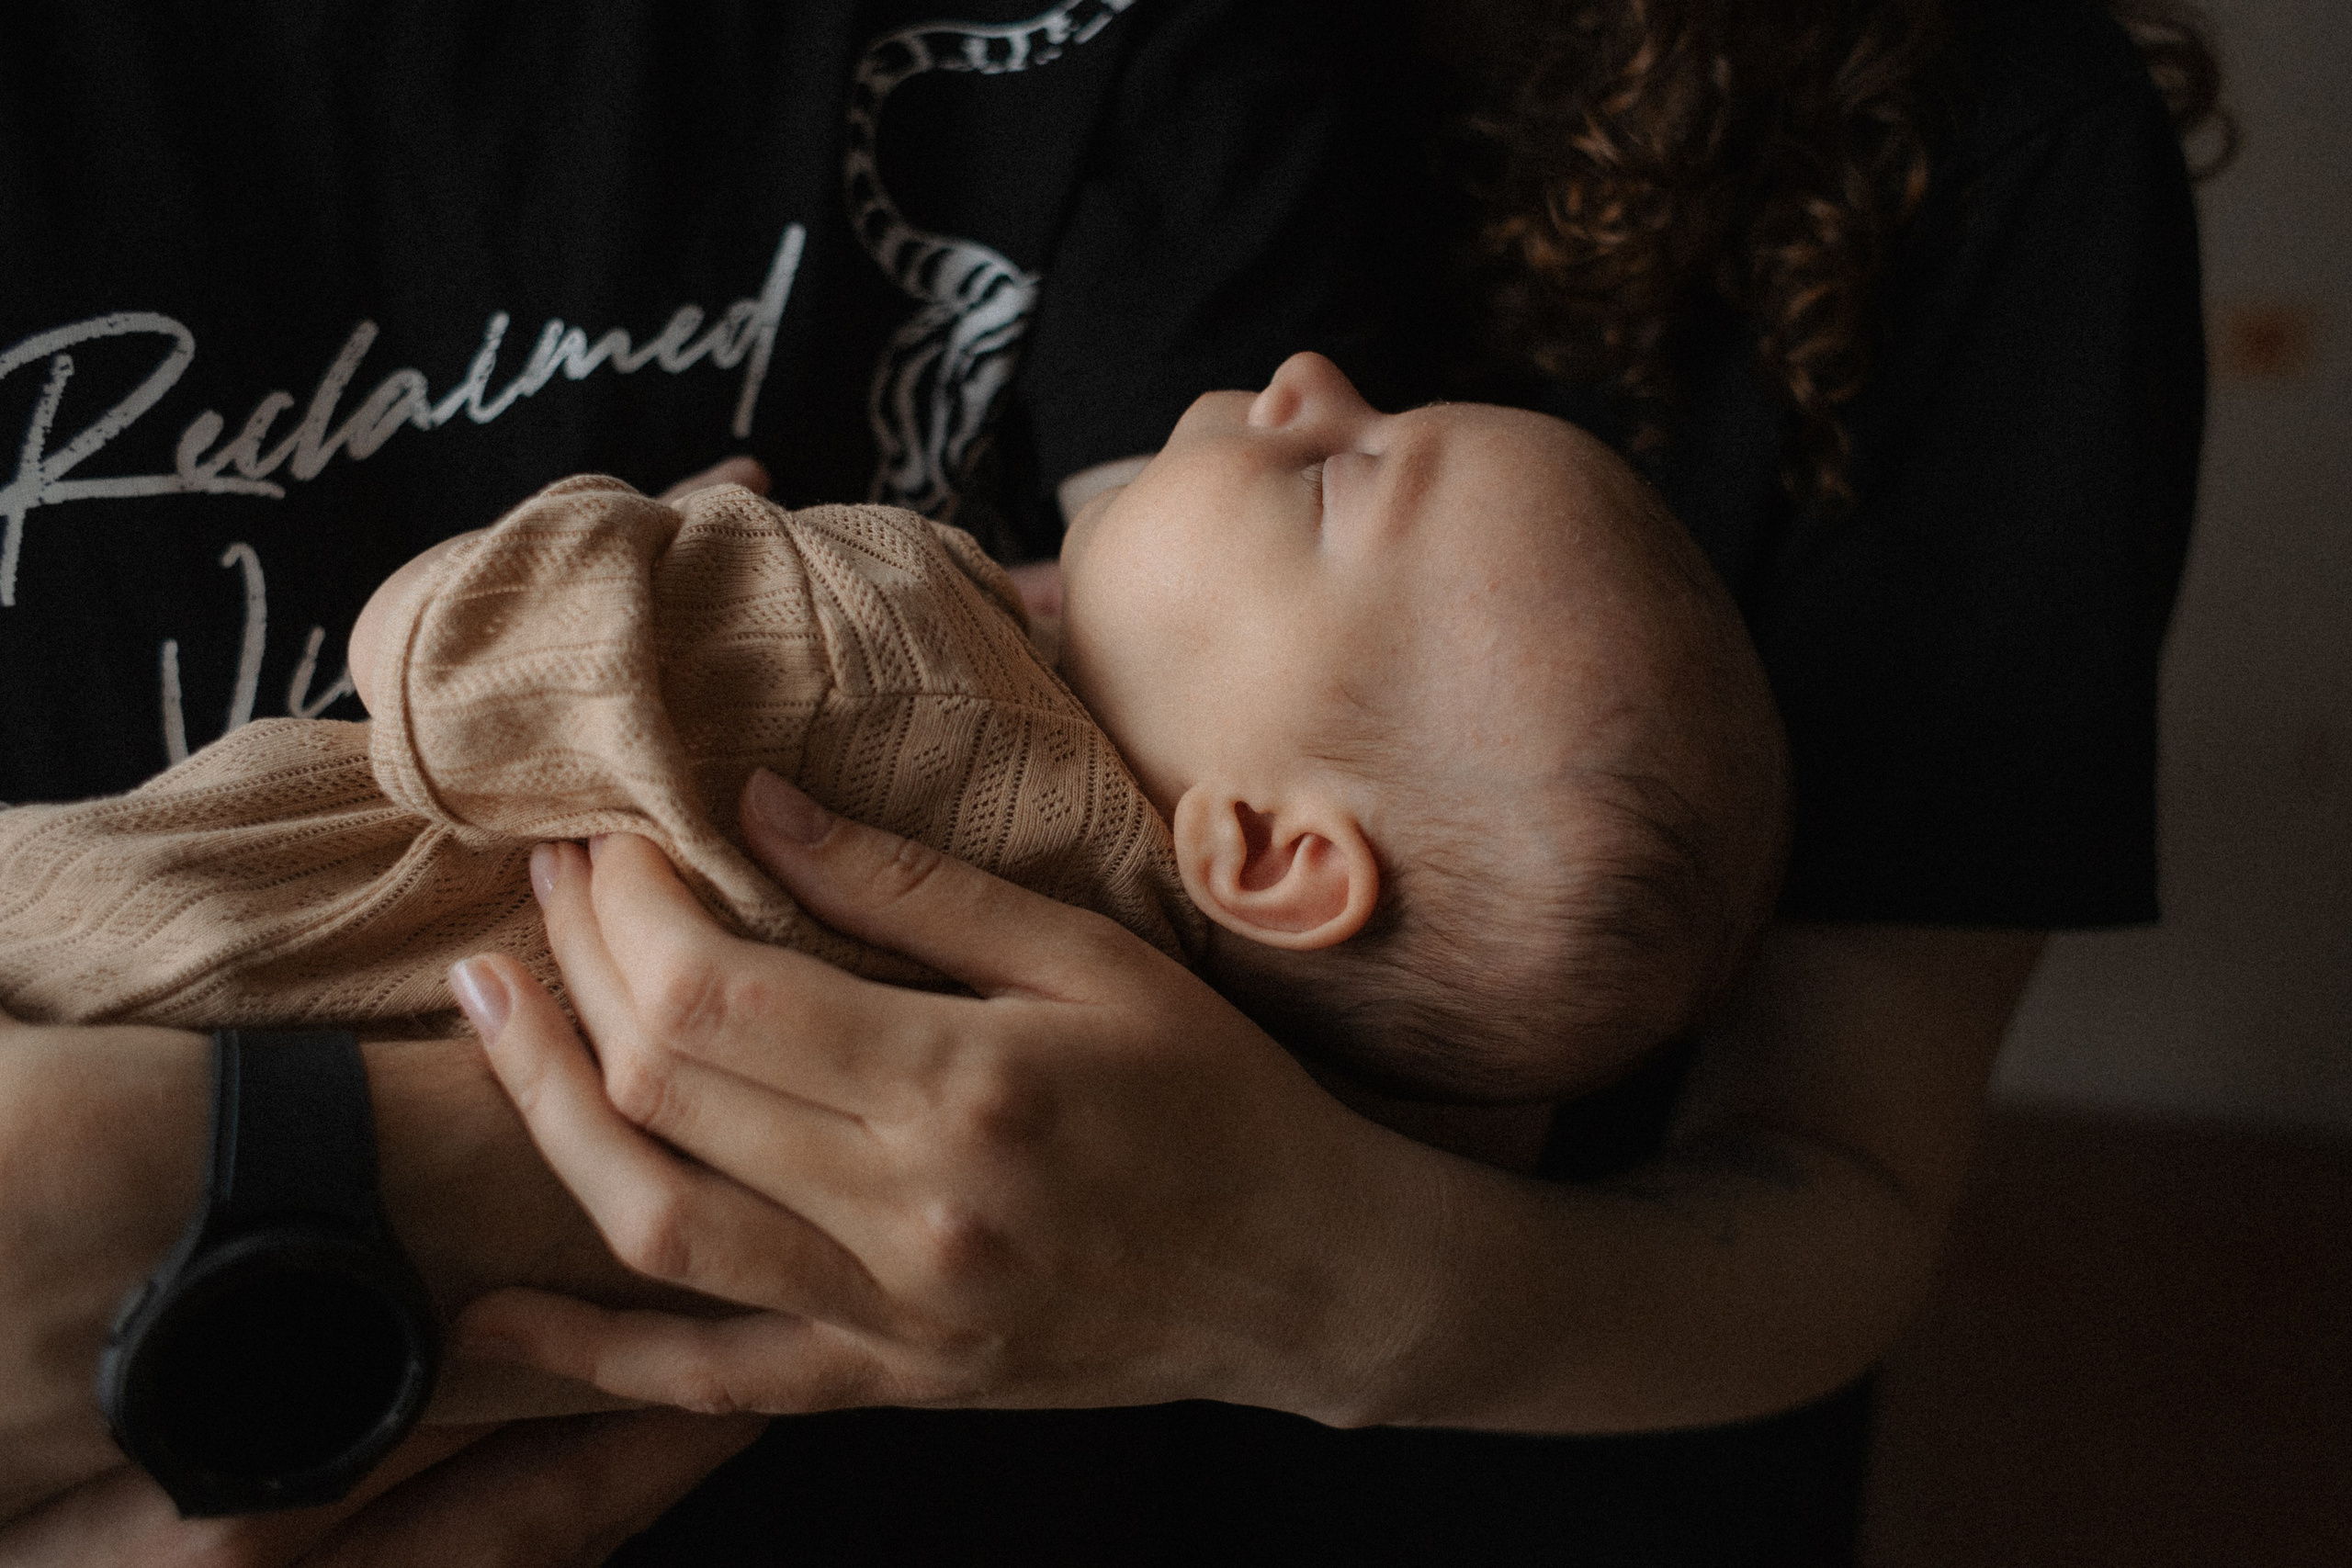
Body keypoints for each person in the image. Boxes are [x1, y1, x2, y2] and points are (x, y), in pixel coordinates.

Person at [0, 0, 2216, 1562]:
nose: (1302, 389)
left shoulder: (1960, 163)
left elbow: (1800, 1172)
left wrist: (1314, 1266)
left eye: (1347, 470)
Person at [0, 353, 1785, 1123]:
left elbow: (424, 658)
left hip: (144, 941)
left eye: (1335, 473)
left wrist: (644, 538)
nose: (1306, 376)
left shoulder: (891, 649)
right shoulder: (1139, 1054)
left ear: (1265, 853)